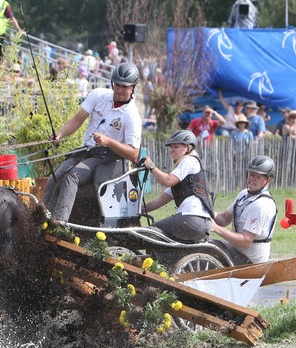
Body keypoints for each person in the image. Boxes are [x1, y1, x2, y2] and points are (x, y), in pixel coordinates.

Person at [42, 62, 142, 222]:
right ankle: (44, 216)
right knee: (57, 174)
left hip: (109, 159)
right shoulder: (98, 95)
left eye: (126, 86)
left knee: (71, 176)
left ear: (133, 88)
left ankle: (59, 223)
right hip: (86, 152)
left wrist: (108, 141)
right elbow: (77, 120)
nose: (121, 90)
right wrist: (59, 135)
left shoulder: (131, 115)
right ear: (112, 83)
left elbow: (134, 153)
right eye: (118, 85)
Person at [142, 131, 213, 242]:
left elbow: (168, 180)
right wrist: (137, 209)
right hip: (202, 223)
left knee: (149, 233)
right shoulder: (185, 180)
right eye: (171, 147)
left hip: (191, 218)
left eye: (176, 147)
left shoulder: (189, 160)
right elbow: (159, 201)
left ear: (188, 148)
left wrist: (152, 167)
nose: (172, 150)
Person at [211, 156, 277, 265]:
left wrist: (215, 228)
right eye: (251, 175)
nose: (252, 179)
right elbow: (224, 219)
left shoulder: (261, 205)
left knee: (208, 250)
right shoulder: (244, 194)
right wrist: (207, 212)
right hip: (236, 251)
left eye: (258, 177)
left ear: (268, 180)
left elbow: (245, 241)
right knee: (207, 245)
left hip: (249, 262)